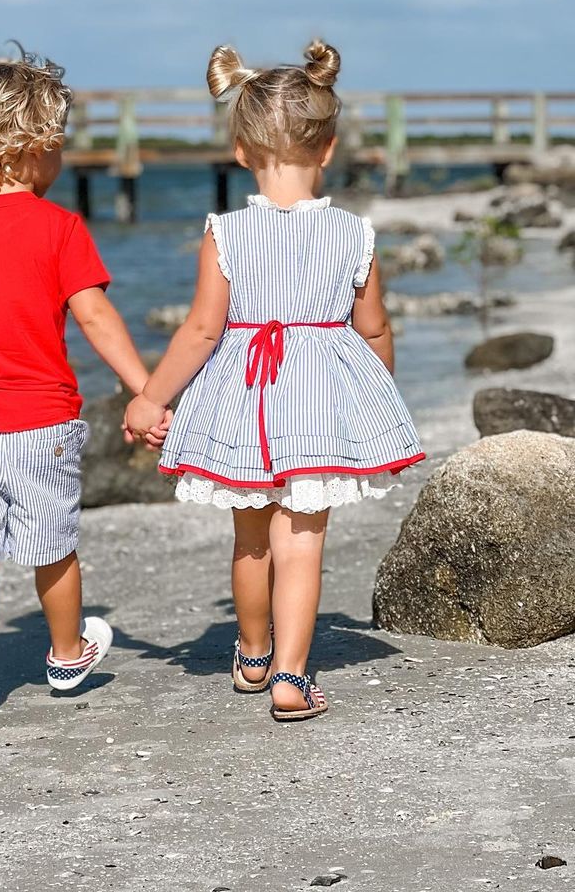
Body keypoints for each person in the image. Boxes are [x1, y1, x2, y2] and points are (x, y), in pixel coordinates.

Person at [124, 40, 424, 722]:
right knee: (303, 543)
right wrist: (373, 399)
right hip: (321, 401)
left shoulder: (224, 231)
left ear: (240, 151)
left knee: (251, 538)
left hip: (245, 403)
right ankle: (292, 675)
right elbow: (374, 329)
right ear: (328, 149)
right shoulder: (356, 234)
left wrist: (150, 397)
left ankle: (253, 653)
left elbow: (202, 331)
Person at [0, 49, 166, 732]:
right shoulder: (59, 227)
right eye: (60, 146)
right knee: (52, 547)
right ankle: (64, 652)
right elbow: (94, 316)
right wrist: (145, 388)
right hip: (39, 424)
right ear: (35, 147)